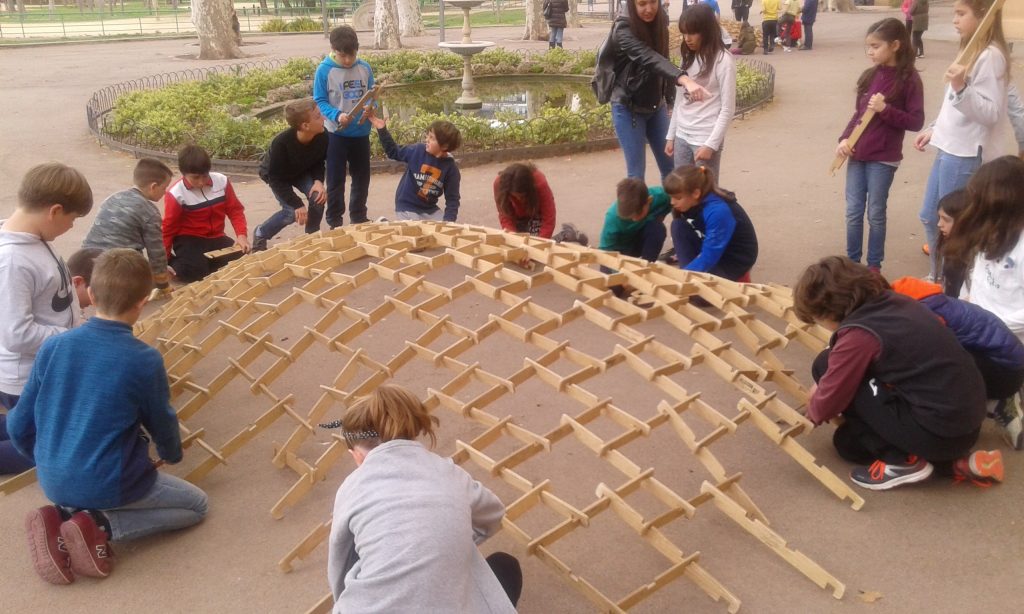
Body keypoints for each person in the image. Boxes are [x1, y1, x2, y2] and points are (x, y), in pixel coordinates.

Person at [8, 249, 208, 585]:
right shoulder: (143, 359)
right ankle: (99, 524)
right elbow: (161, 419)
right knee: (196, 506)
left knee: (89, 482)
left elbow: (17, 423)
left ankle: (62, 515)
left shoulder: (54, 347)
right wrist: (172, 454)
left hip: (51, 478)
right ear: (143, 302)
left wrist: (44, 457)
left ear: (91, 292)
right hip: (110, 481)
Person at [794, 256, 1000, 490]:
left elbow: (828, 402)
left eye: (817, 319)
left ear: (828, 312)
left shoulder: (859, 335)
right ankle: (955, 463)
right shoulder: (895, 300)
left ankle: (900, 461)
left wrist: (815, 407)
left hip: (939, 432)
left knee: (825, 367)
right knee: (849, 441)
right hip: (966, 424)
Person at [327, 385, 522, 612]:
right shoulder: (447, 473)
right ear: (412, 431)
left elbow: (339, 563)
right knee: (505, 566)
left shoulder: (351, 488)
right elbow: (493, 514)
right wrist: (446, 543)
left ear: (356, 456)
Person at [0, 163, 93, 475]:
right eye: (72, 219)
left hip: (45, 367)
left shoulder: (37, 241)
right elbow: (16, 334)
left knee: (28, 427)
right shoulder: (12, 260)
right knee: (55, 449)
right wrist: (73, 337)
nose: (71, 227)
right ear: (55, 211)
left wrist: (79, 326)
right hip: (26, 378)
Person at [914, 0, 1010, 282]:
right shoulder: (971, 49)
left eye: (961, 13)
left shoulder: (990, 56)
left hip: (965, 152)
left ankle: (952, 283)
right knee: (930, 216)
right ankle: (938, 275)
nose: (954, 20)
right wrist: (935, 128)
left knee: (955, 224)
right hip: (948, 145)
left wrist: (961, 87)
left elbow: (991, 113)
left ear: (983, 16)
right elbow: (952, 105)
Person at [890, 276, 1024, 451]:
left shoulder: (922, 313)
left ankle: (996, 399)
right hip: (1005, 362)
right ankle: (994, 401)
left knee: (931, 366)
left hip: (1005, 371)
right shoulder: (922, 300)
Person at [944, 156, 1024, 448]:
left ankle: (998, 397)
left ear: (1000, 200)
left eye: (978, 198)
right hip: (979, 329)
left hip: (1008, 344)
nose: (972, 205)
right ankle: (997, 400)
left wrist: (988, 326)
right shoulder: (990, 231)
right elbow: (977, 278)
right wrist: (963, 308)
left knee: (943, 367)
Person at [835, 18, 924, 274]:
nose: (870, 52)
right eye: (869, 47)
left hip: (883, 158)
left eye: (876, 46)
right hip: (857, 154)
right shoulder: (870, 76)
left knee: (875, 213)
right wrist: (844, 139)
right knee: (853, 212)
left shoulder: (909, 79)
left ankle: (874, 267)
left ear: (895, 45)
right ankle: (852, 264)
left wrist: (886, 109)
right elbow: (859, 115)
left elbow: (916, 121)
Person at [600, 0, 710, 181]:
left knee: (673, 172)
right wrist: (683, 78)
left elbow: (663, 59)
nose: (649, 9)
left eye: (652, 2)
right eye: (642, 3)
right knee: (636, 176)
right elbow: (648, 58)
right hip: (628, 107)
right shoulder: (623, 28)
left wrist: (670, 101)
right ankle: (635, 201)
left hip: (656, 106)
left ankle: (673, 201)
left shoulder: (660, 21)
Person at [83, 158, 174, 295]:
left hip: (89, 264)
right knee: (145, 274)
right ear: (153, 186)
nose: (165, 192)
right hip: (116, 269)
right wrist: (163, 284)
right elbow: (156, 253)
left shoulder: (113, 198)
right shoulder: (149, 211)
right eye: (164, 188)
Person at [314, 25, 375, 228]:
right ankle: (335, 220)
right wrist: (336, 115)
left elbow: (371, 95)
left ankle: (358, 216)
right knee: (335, 179)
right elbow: (320, 100)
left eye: (352, 55)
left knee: (361, 178)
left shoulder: (365, 68)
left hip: (361, 133)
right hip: (336, 134)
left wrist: (370, 108)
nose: (348, 60)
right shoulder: (324, 70)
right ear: (333, 50)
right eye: (342, 56)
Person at [666, 3, 736, 180]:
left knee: (705, 191)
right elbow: (679, 99)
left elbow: (728, 109)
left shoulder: (723, 61)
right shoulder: (687, 57)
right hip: (682, 134)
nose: (687, 39)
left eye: (693, 33)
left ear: (707, 30)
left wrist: (711, 144)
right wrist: (671, 135)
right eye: (684, 33)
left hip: (705, 137)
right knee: (682, 188)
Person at [162, 144, 250, 283]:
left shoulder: (221, 181)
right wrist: (163, 259)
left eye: (205, 176)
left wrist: (241, 235)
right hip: (189, 238)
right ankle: (177, 263)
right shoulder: (175, 193)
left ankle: (202, 263)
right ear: (183, 174)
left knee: (240, 259)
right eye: (195, 178)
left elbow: (235, 210)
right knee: (195, 274)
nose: (201, 182)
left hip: (216, 236)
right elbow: (168, 227)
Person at [253, 98, 329, 251]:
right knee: (291, 213)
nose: (324, 118)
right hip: (276, 176)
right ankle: (261, 233)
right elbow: (276, 180)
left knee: (318, 198)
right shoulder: (281, 144)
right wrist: (297, 204)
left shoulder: (322, 134)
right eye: (318, 116)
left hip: (299, 170)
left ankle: (311, 237)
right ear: (305, 126)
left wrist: (318, 181)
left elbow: (318, 161)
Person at [663, 166, 757, 281]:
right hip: (717, 246)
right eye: (671, 197)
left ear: (696, 193)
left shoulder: (718, 211)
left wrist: (684, 278)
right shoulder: (693, 199)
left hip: (734, 260)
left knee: (698, 286)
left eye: (677, 198)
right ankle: (688, 273)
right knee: (678, 226)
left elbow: (710, 255)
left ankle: (689, 276)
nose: (672, 202)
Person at [367, 112, 462, 222]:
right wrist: (382, 129)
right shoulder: (417, 150)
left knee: (442, 229)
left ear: (445, 146)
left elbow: (452, 199)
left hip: (430, 209)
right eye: (428, 135)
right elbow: (393, 151)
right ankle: (385, 224)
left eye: (432, 138)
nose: (427, 139)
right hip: (407, 206)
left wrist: (448, 223)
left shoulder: (451, 169)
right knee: (414, 231)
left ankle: (386, 223)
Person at [599, 177, 671, 263]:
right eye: (629, 218)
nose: (634, 220)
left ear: (649, 200)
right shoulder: (612, 218)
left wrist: (661, 216)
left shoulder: (662, 196)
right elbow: (606, 251)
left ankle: (647, 264)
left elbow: (672, 203)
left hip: (638, 241)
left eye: (637, 215)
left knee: (657, 229)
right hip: (620, 250)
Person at [493, 162, 557, 238]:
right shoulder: (499, 184)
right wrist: (512, 236)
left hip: (535, 212)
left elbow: (548, 217)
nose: (518, 199)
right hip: (516, 216)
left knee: (535, 240)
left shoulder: (539, 182)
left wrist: (541, 241)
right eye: (514, 196)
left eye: (521, 196)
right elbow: (505, 214)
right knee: (515, 240)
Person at [934, 189, 969, 296]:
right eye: (939, 218)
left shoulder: (974, 256)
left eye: (946, 219)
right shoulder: (951, 244)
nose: (939, 224)